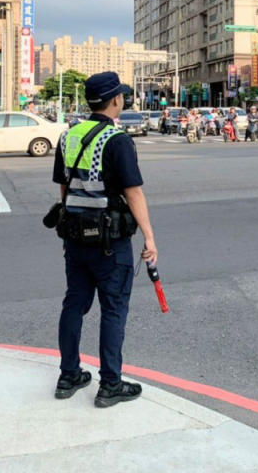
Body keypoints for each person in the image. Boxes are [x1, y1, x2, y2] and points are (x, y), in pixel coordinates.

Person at [52, 71, 159, 408]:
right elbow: (134, 192)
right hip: (110, 244)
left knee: (74, 304)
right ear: (115, 100)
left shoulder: (68, 137)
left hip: (75, 240)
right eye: (122, 96)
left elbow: (64, 187)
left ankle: (69, 374)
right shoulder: (116, 140)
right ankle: (109, 384)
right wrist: (150, 238)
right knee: (113, 310)